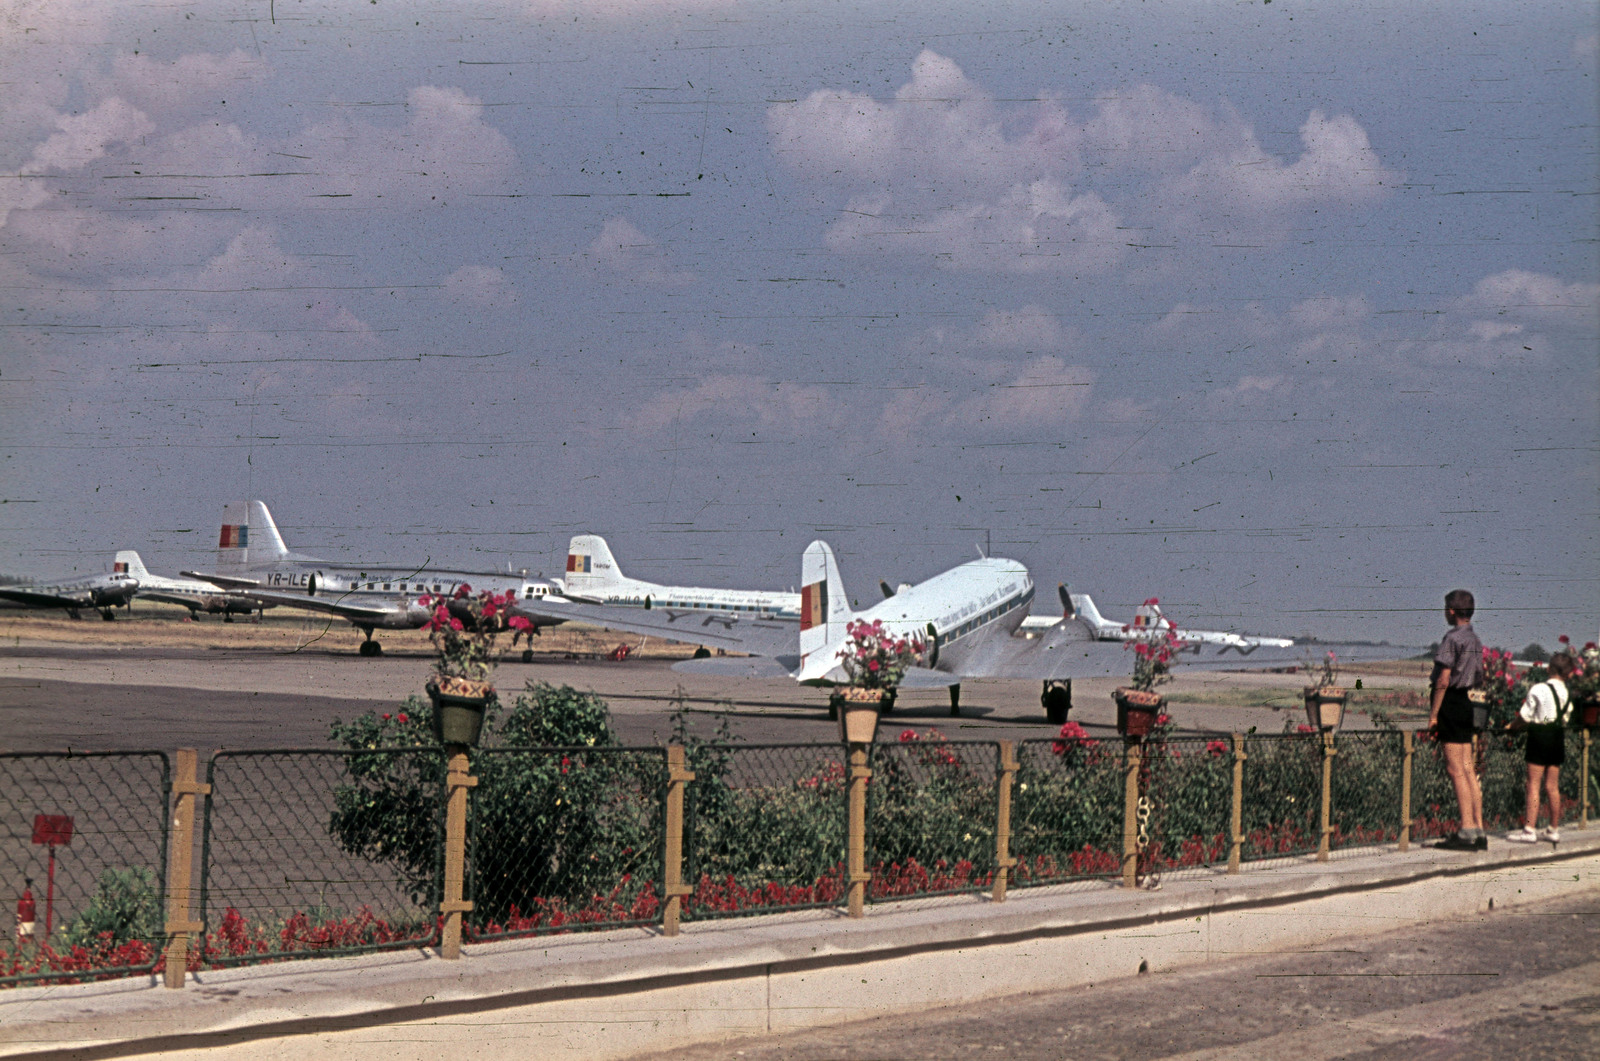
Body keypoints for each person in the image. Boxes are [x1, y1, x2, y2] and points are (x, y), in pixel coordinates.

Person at [1429, 589, 1485, 851]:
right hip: (1467, 703)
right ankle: (1478, 827)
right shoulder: (1474, 639)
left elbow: (1443, 679)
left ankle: (1466, 829)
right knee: (1467, 767)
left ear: (1451, 611)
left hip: (1451, 702)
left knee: (1455, 769)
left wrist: (1433, 715)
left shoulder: (1452, 638)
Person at [1506, 652, 1575, 843]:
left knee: (1533, 784)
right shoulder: (1566, 692)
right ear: (1568, 673)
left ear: (1549, 669)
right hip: (1557, 737)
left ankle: (1529, 829)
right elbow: (1566, 717)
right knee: (1552, 786)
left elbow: (1526, 716)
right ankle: (1553, 828)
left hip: (1539, 736)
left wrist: (1512, 726)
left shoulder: (1539, 689)